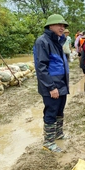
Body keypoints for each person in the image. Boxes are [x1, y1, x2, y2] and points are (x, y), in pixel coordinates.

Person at [33, 14, 69, 152]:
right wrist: (51, 87)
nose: (62, 28)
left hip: (61, 84)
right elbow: (41, 67)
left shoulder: (58, 41)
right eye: (59, 25)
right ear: (50, 26)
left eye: (64, 25)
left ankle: (58, 134)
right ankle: (48, 142)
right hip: (52, 86)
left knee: (60, 111)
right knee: (51, 112)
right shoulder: (43, 41)